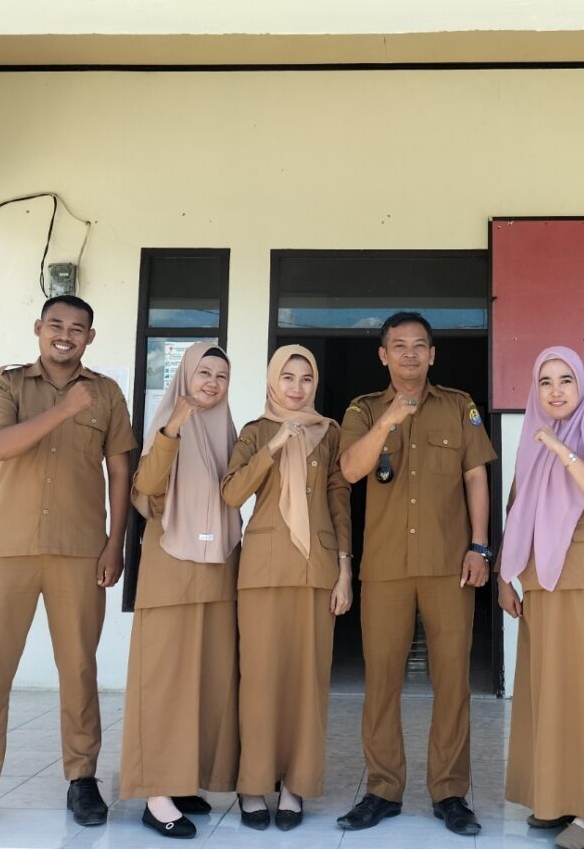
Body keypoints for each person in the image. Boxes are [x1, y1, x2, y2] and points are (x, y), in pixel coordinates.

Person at [0, 296, 137, 840]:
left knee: (79, 668)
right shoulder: (8, 383)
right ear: (38, 328)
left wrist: (115, 544)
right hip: (8, 549)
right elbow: (1, 446)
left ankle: (82, 778)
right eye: (56, 324)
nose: (66, 334)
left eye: (78, 328)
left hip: (80, 550)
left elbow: (120, 472)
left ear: (90, 337)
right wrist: (64, 408)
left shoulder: (107, 393)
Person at [336, 312, 496, 836]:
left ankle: (450, 792)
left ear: (432, 354)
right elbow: (350, 469)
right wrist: (388, 421)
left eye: (419, 345)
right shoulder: (363, 409)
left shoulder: (459, 406)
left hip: (450, 565)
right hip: (385, 567)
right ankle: (383, 790)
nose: (410, 353)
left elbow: (476, 476)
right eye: (399, 345)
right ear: (383, 355)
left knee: (452, 681)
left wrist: (480, 546)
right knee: (381, 681)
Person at [499, 347, 584, 849]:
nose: (555, 391)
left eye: (565, 380)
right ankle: (555, 796)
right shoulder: (533, 434)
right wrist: (505, 575)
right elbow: (518, 506)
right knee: (549, 688)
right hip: (541, 577)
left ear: (581, 383)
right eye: (545, 382)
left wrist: (564, 451)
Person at [221, 345, 352, 832]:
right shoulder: (256, 430)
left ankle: (295, 785)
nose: (297, 388)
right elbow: (232, 492)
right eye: (288, 377)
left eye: (306, 378)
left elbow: (339, 501)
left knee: (307, 681)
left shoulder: (330, 432)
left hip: (317, 569)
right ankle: (253, 785)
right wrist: (275, 445)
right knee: (259, 680)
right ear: (273, 381)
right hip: (263, 569)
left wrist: (344, 569)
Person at [120, 342, 241, 839]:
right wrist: (174, 427)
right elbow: (147, 486)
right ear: (185, 376)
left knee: (208, 682)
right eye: (203, 372)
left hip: (218, 572)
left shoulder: (228, 431)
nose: (212, 382)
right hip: (170, 569)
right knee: (165, 682)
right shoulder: (167, 425)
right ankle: (157, 794)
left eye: (221, 375)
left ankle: (185, 779)